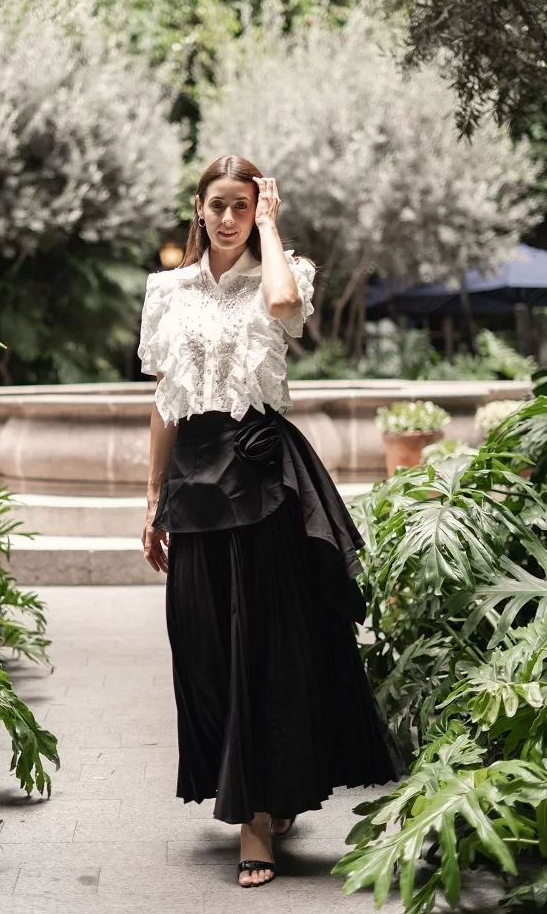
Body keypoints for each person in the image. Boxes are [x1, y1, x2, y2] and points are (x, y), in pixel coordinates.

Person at [138, 155, 404, 889]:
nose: (229, 218)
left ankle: (256, 819)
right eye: (218, 205)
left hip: (260, 477)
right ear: (198, 208)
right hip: (194, 480)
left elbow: (286, 311)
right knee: (200, 643)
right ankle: (260, 785)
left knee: (258, 645)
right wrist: (153, 496)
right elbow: (165, 398)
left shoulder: (285, 271)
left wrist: (272, 227)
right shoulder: (168, 291)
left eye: (242, 206)